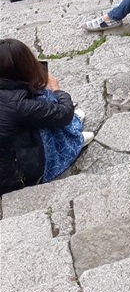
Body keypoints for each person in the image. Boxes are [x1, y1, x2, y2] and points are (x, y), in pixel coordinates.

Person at [0, 38, 93, 195]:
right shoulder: (19, 104)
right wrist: (56, 89)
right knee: (46, 98)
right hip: (12, 175)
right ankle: (72, 142)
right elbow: (64, 113)